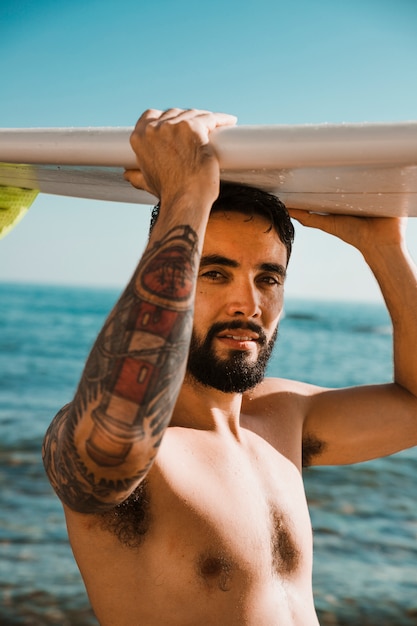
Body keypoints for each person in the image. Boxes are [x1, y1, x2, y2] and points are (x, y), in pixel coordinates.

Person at [42, 108, 417, 626]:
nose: (249, 304)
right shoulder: (132, 447)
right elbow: (117, 433)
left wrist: (385, 250)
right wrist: (184, 197)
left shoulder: (283, 419)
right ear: (167, 271)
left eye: (268, 277)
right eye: (214, 273)